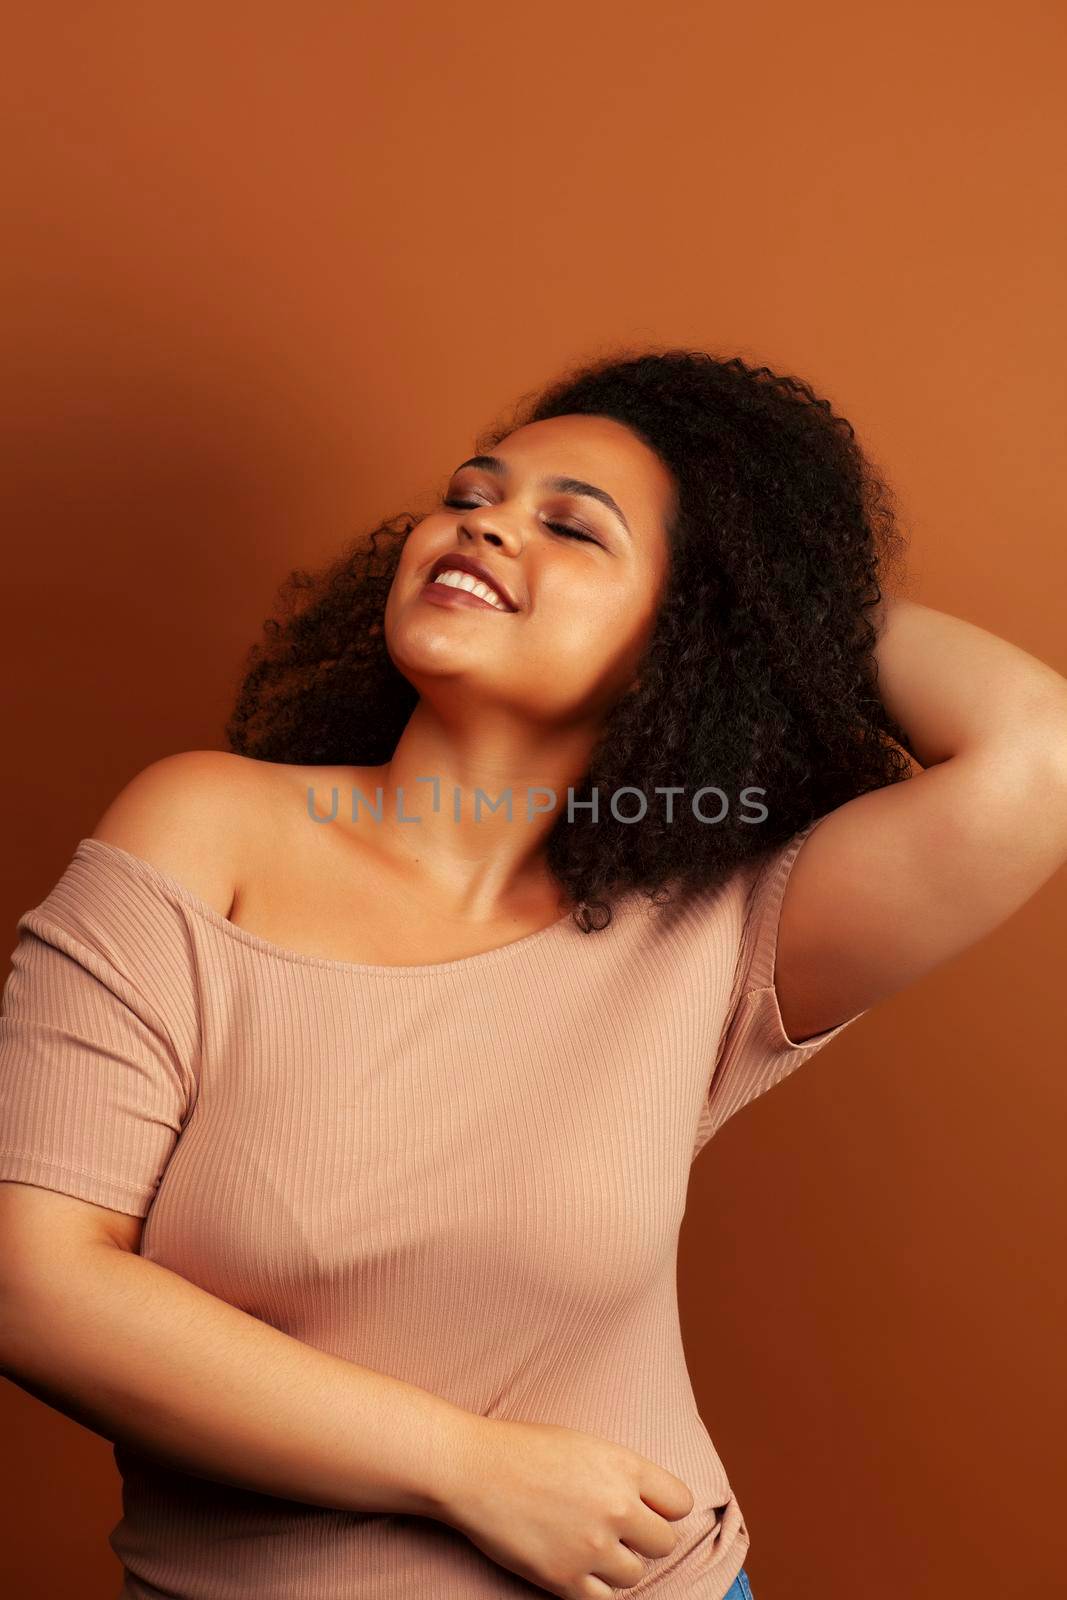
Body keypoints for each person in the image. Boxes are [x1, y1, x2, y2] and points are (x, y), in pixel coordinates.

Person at [2, 347, 1066, 1600]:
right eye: (472, 494)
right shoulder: (206, 827)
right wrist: (472, 1468)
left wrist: (772, 594)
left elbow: (1033, 756)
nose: (486, 524)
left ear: (683, 635)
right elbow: (32, 1280)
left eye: (571, 526)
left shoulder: (715, 930)